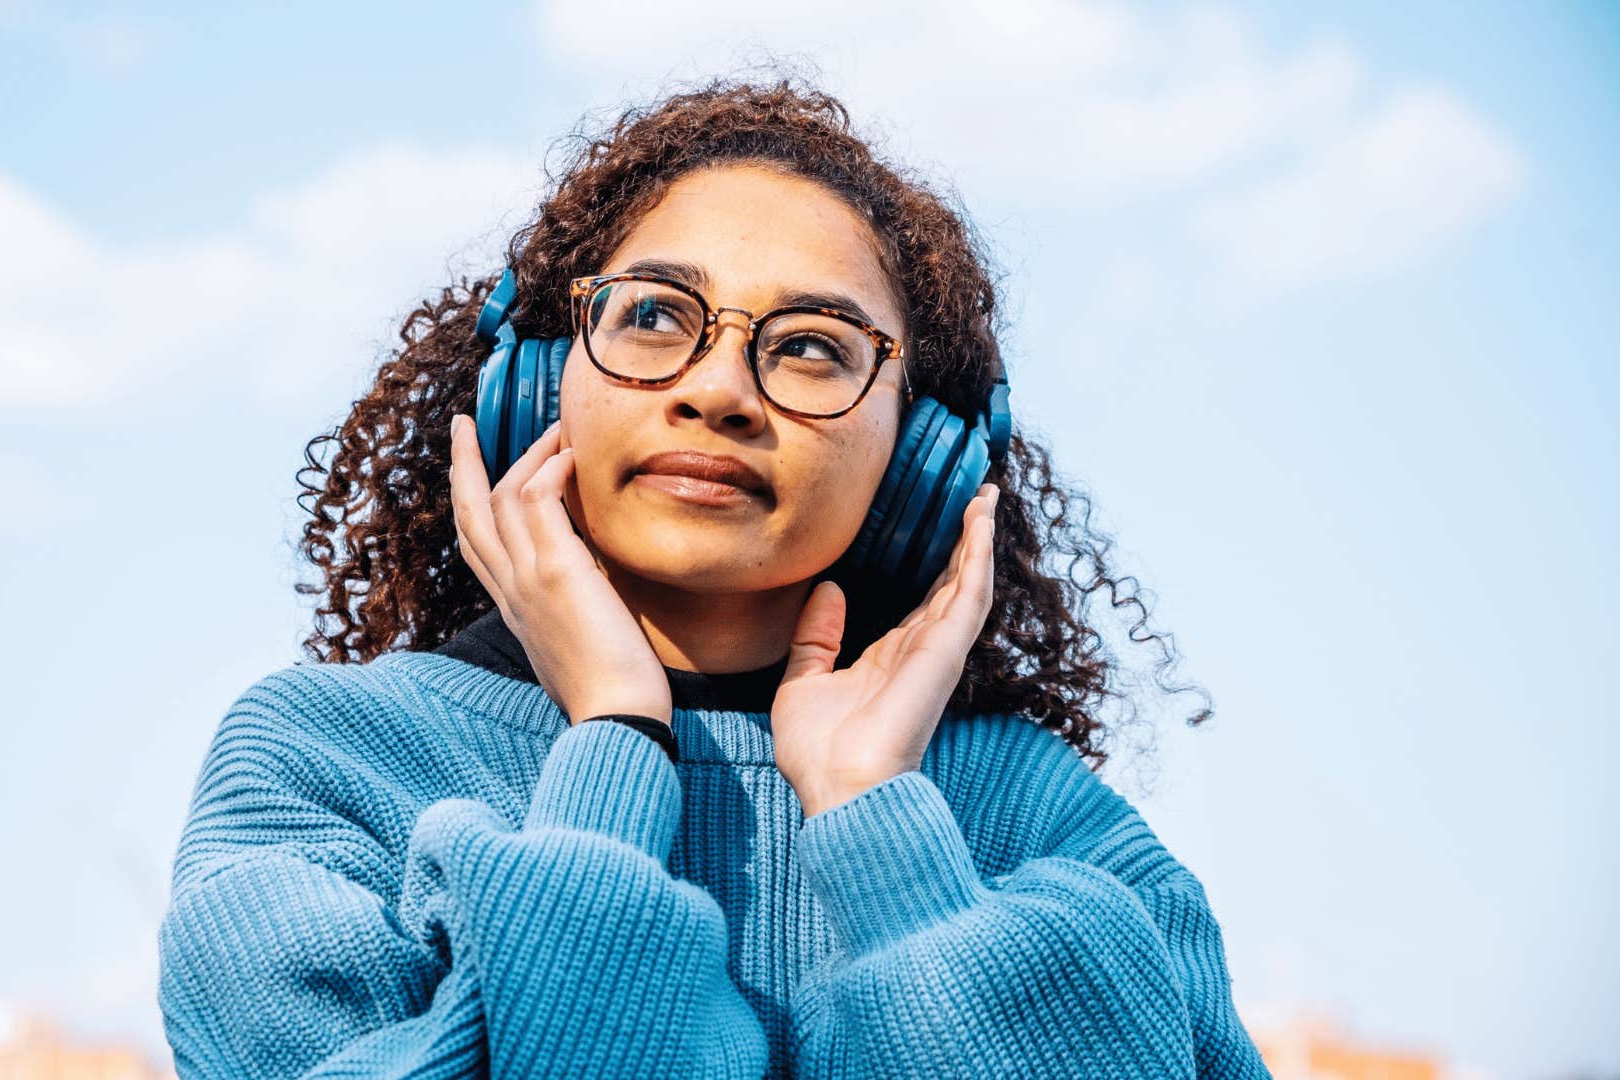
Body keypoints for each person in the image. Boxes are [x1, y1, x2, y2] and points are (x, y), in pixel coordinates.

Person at [157, 73, 1272, 1079]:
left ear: (921, 456)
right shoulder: (316, 759)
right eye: (651, 317)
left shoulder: (1037, 815)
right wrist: (615, 743)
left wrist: (884, 831)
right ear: (540, 383)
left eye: (812, 346)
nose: (719, 389)